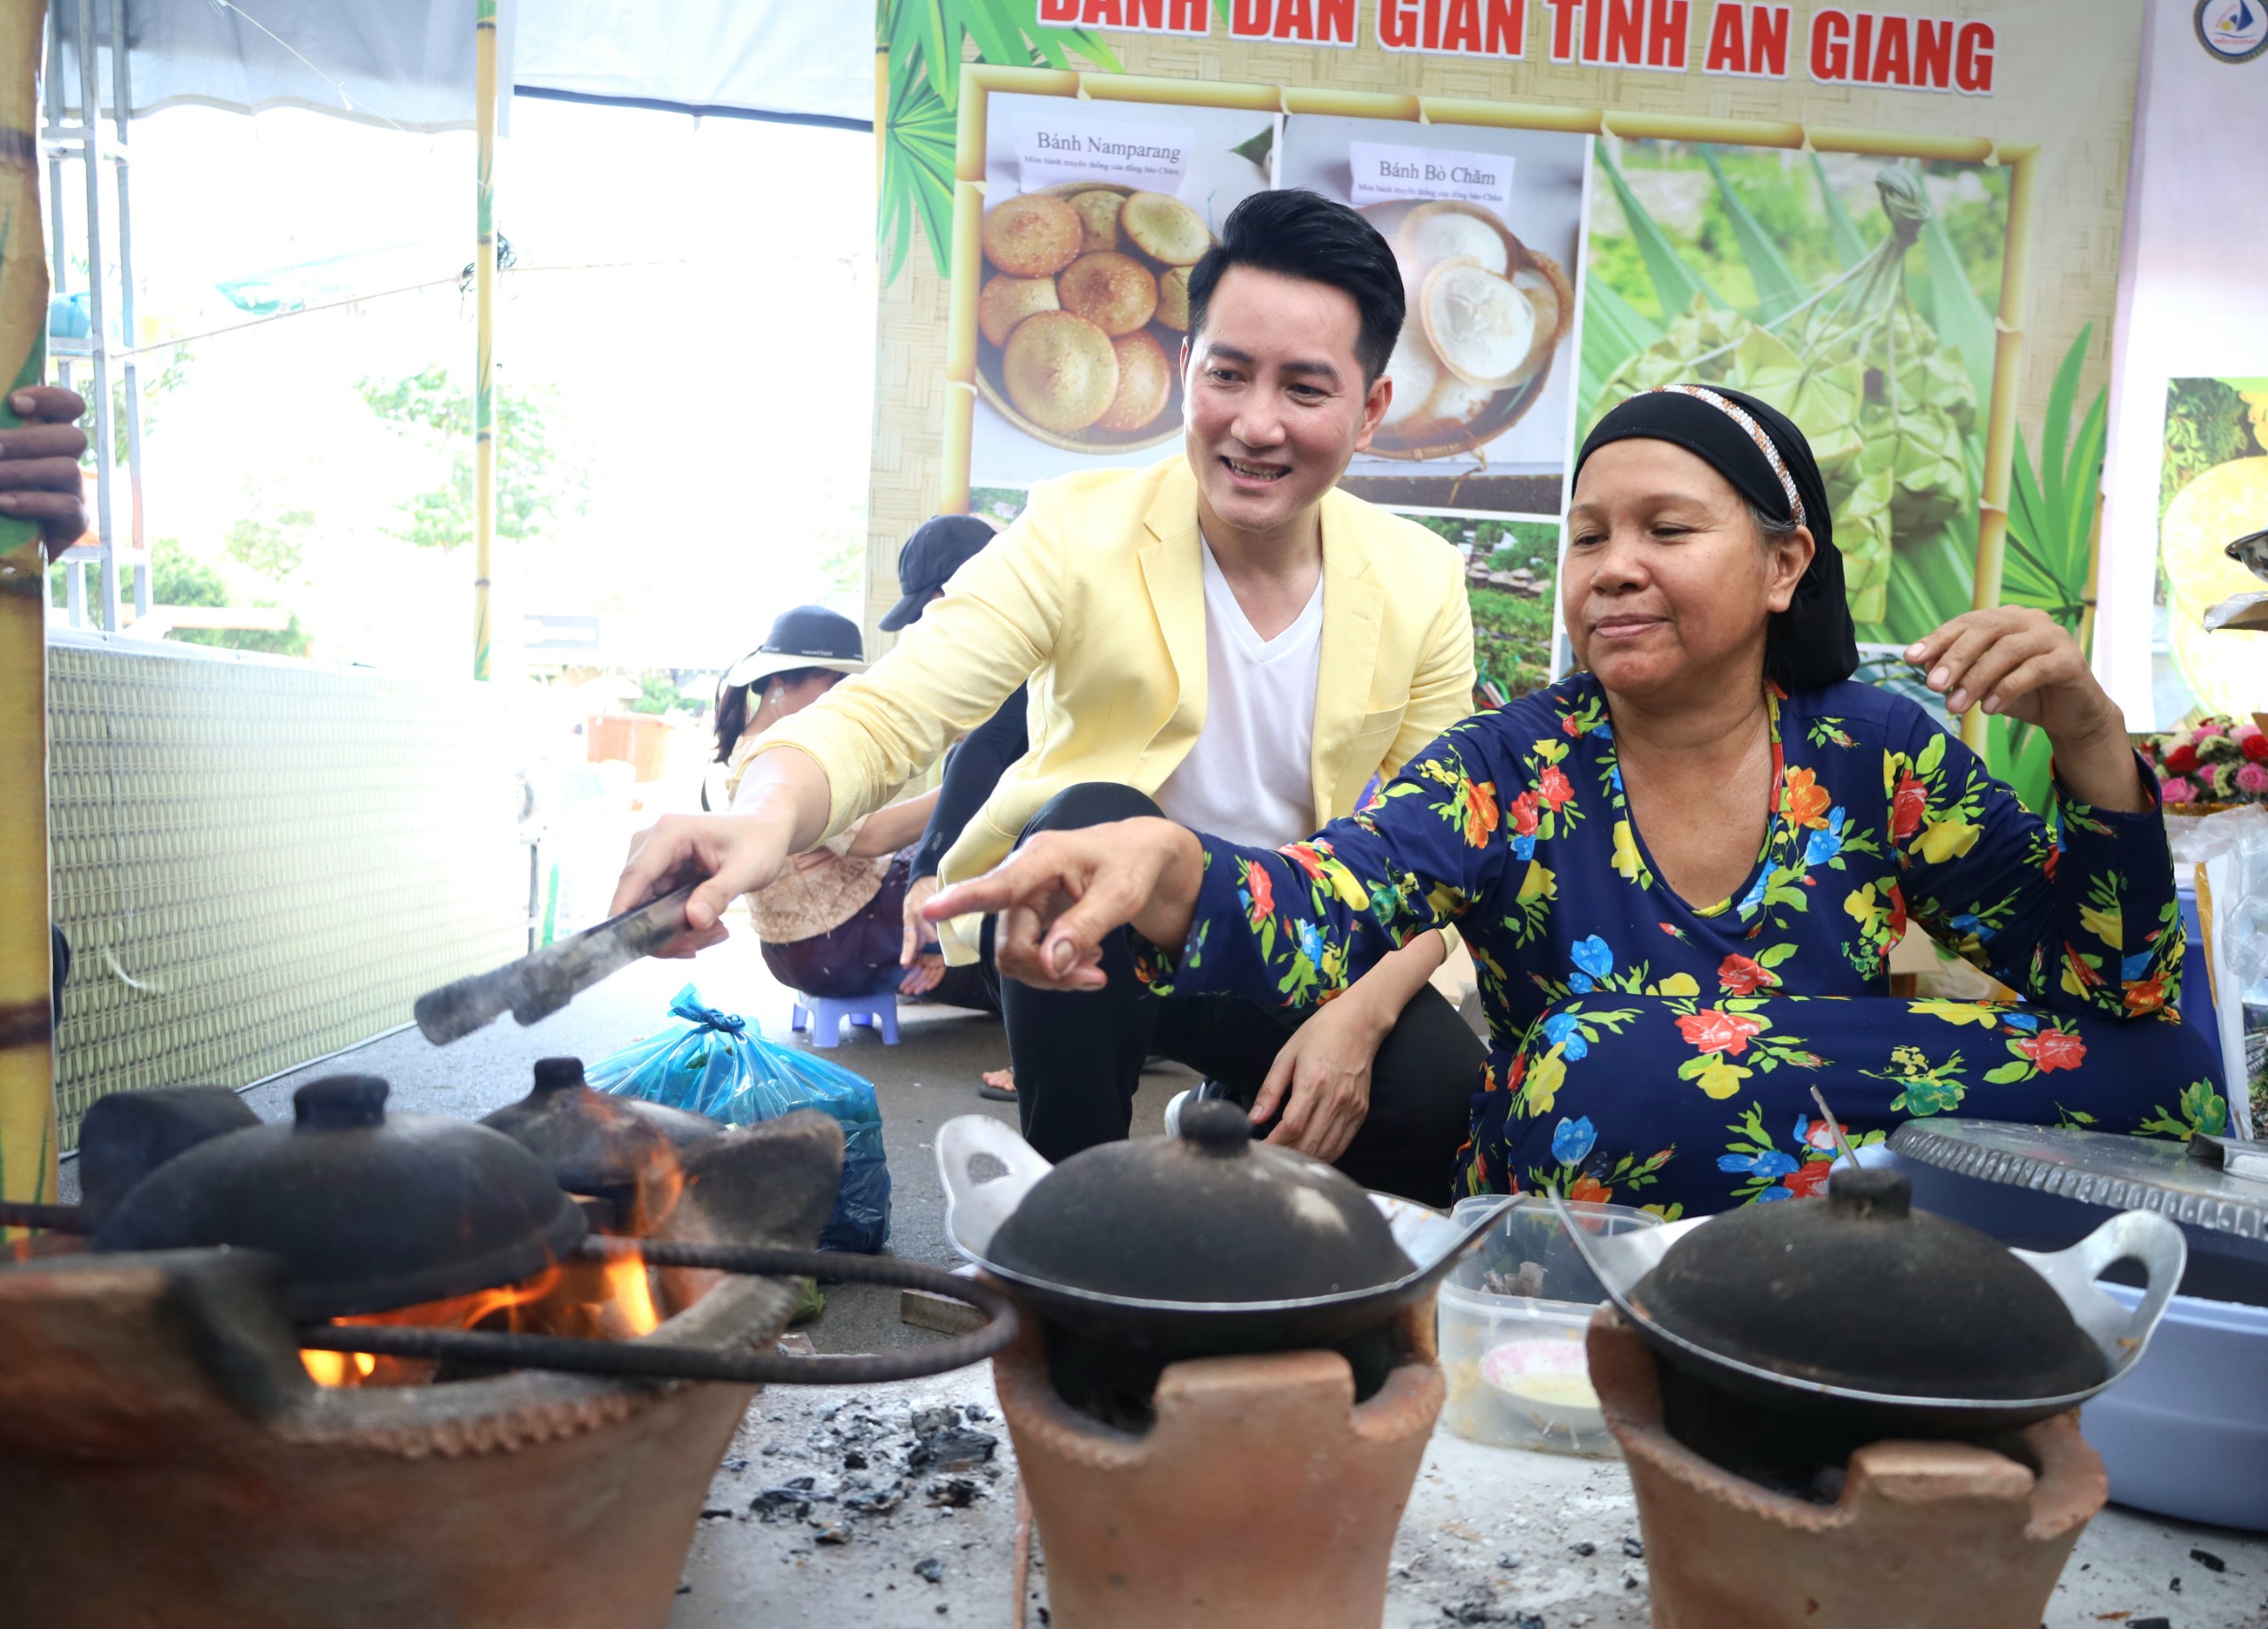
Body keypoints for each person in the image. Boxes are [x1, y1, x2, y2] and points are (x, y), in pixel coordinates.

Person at [925, 384, 2226, 1218]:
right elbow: (1332, 896)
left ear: (1784, 563)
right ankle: (1878, 1196)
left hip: (1783, 1126)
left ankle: (1837, 1194)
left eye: (1666, 528)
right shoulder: (1520, 761)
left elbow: (2113, 984)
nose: (1613, 569)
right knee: (1600, 1065)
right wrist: (1166, 865)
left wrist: (2090, 738)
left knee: (2184, 1059)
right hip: (1584, 1170)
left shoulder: (1875, 747)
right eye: (1590, 537)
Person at [613, 189, 1485, 1202]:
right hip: (1079, 951)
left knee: (1440, 1103)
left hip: (1285, 943)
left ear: (1370, 409)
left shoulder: (1420, 580)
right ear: (1188, 372)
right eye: (1228, 374)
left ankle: (1234, 1134)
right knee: (1091, 825)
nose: (1255, 425)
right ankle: (1076, 1209)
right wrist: (761, 820)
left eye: (1304, 389)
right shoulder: (1075, 530)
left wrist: (1359, 1016)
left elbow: (1441, 847)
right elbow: (899, 706)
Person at [712, 605, 963, 1004]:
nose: (844, 693)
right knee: (960, 858)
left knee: (957, 925)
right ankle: (946, 955)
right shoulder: (785, 753)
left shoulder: (754, 745)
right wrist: (971, 791)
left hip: (795, 954)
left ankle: (938, 959)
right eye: (835, 681)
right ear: (779, 680)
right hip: (837, 943)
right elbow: (873, 836)